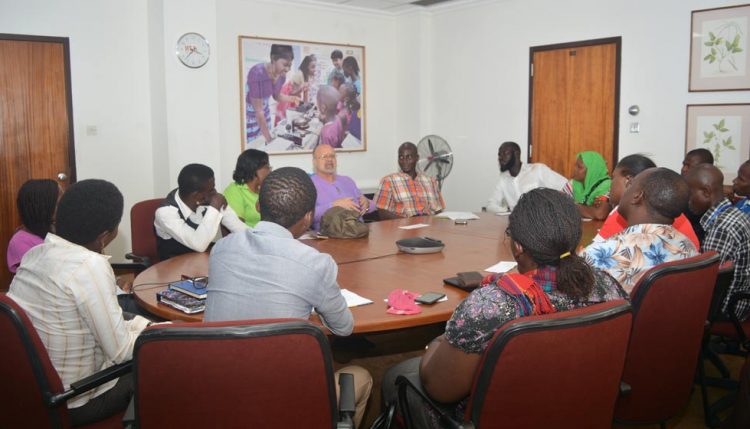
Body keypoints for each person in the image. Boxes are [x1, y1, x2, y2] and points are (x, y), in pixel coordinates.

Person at [381, 188, 627, 428]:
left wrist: (435, 343)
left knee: (396, 376)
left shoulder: (490, 306)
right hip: (578, 412)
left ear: (518, 247)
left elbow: (440, 389)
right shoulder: (607, 286)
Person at [205, 167, 372, 426]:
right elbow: (343, 328)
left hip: (219, 392)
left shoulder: (221, 249)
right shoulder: (315, 263)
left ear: (259, 206)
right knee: (361, 377)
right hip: (285, 400)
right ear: (307, 218)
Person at [7, 179, 152, 426]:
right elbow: (121, 353)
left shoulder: (35, 254)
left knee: (137, 325)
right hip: (75, 399)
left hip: (32, 390)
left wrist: (141, 324)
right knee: (163, 365)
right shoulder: (89, 266)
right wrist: (159, 330)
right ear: (106, 235)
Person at [581, 168, 698, 293]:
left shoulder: (602, 253)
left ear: (637, 196)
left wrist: (579, 260)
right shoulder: (688, 246)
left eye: (630, 185)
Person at [685, 164, 750, 321]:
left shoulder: (721, 228)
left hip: (729, 310)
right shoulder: (734, 214)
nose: (686, 201)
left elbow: (707, 284)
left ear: (706, 192)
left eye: (689, 194)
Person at [593, 154, 699, 249]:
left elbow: (592, 253)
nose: (610, 185)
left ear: (628, 182)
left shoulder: (622, 215)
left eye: (613, 177)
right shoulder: (670, 213)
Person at [154, 163, 247, 260]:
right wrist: (214, 208)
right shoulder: (166, 213)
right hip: (173, 267)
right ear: (197, 196)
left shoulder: (206, 199)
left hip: (203, 262)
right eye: (211, 190)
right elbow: (199, 244)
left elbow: (238, 227)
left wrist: (260, 237)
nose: (215, 193)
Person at [486, 141, 567, 213]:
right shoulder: (503, 179)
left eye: (505, 153)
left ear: (516, 154)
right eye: (499, 155)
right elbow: (491, 205)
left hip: (542, 224)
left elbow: (566, 186)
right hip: (516, 225)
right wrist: (507, 211)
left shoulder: (537, 170)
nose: (500, 158)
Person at [310, 144, 374, 231]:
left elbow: (374, 206)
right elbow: (307, 217)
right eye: (324, 156)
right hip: (329, 237)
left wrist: (367, 204)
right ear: (314, 162)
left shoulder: (347, 181)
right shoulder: (309, 184)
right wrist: (333, 206)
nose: (329, 159)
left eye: (332, 156)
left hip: (358, 232)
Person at [245, 44, 301, 143]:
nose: (287, 69)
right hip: (252, 115)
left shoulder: (281, 76)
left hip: (264, 112)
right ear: (273, 58)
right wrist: (269, 138)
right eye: (285, 65)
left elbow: (277, 96)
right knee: (255, 144)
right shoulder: (257, 73)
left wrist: (292, 98)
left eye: (290, 65)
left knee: (264, 142)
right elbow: (258, 111)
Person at [374, 142, 445, 219]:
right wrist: (408, 221)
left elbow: (439, 209)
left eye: (409, 157)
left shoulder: (431, 181)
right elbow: (382, 212)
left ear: (417, 158)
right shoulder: (388, 181)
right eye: (401, 157)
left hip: (429, 226)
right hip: (403, 227)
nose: (404, 161)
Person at [6, 179, 60, 273]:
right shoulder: (20, 241)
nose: (63, 207)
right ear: (43, 206)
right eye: (58, 204)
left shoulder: (55, 229)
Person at [224, 149, 271, 227]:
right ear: (254, 169)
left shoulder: (267, 189)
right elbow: (236, 227)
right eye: (267, 167)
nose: (270, 170)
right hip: (249, 238)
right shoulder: (235, 190)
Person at [681, 148, 715, 242]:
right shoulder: (677, 186)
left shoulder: (705, 195)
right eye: (684, 164)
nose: (684, 169)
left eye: (688, 166)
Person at [566, 151, 611, 220]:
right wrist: (590, 208)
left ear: (592, 170)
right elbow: (559, 204)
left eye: (579, 167)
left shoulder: (607, 185)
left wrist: (572, 205)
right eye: (575, 166)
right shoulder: (574, 183)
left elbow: (599, 214)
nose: (575, 169)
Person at [276, 54, 317, 125]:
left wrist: (306, 107)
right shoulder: (300, 74)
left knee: (295, 114)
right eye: (312, 67)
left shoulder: (307, 75)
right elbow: (291, 93)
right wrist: (301, 88)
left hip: (295, 94)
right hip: (288, 93)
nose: (315, 69)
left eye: (315, 67)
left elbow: (305, 94)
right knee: (286, 117)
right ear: (307, 67)